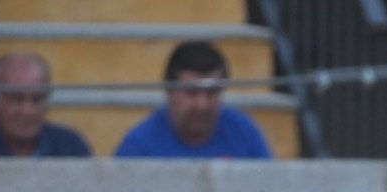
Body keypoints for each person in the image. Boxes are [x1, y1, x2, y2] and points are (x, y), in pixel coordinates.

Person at [114, 40, 271, 159]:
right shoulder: (139, 147)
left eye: (211, 93)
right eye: (192, 92)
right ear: (170, 92)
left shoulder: (245, 133)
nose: (202, 105)